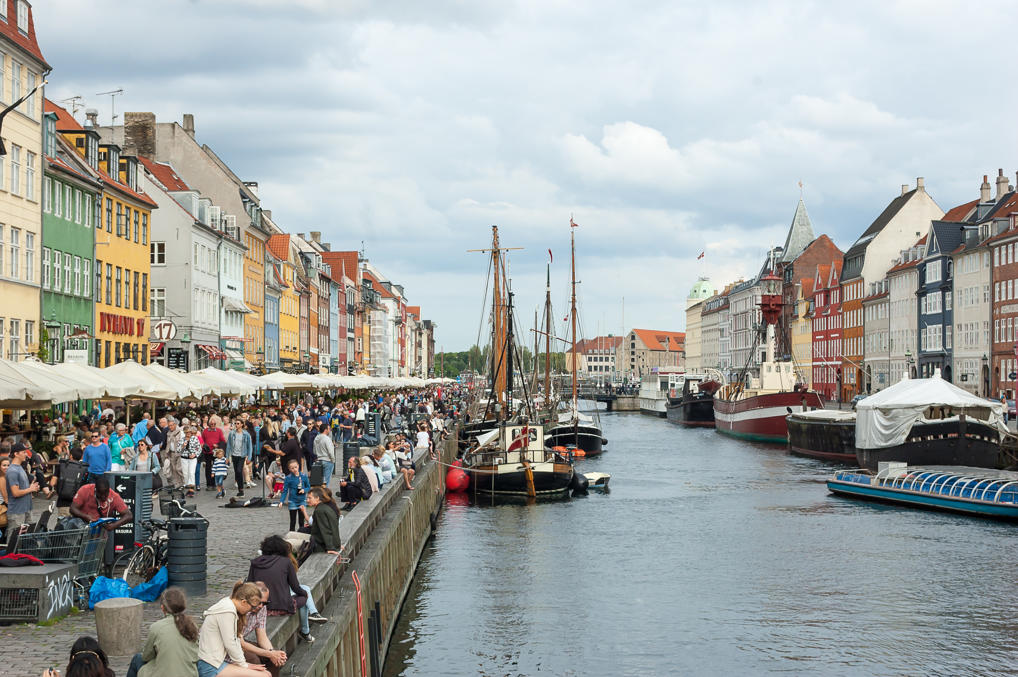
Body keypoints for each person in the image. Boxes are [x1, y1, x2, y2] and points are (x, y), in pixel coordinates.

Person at [246, 535, 315, 644]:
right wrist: (305, 594)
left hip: (261, 606)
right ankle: (305, 631)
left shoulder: (255, 562)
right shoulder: (286, 562)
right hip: (282, 607)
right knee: (303, 598)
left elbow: (249, 585)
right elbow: (295, 587)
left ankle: (307, 630)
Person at [196, 581, 268, 676]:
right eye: (252, 608)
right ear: (244, 602)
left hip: (216, 662)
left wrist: (243, 664)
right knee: (262, 675)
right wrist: (244, 665)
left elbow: (236, 640)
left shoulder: (229, 606)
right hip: (210, 665)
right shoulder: (227, 611)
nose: (251, 611)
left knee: (265, 673)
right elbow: (230, 643)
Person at [125, 586, 199, 677]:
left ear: (162, 608)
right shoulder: (192, 626)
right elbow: (196, 655)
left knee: (138, 658)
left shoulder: (157, 627)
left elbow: (146, 656)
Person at [239, 581, 287, 677]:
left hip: (242, 641)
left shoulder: (262, 608)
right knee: (254, 661)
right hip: (232, 644)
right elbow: (240, 643)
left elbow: (262, 637)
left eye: (265, 603)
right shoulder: (242, 609)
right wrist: (270, 654)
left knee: (273, 660)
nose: (261, 606)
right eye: (259, 602)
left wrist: (272, 653)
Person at [5, 442, 39, 549]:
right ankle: (9, 559)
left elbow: (23, 489)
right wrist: (30, 489)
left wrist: (31, 487)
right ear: (16, 454)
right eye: (24, 452)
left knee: (24, 540)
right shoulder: (13, 471)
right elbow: (15, 493)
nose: (26, 454)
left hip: (25, 509)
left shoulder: (20, 468)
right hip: (16, 511)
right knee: (13, 541)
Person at [277, 460, 310, 531]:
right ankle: (291, 535)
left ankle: (301, 535)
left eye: (295, 467)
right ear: (289, 469)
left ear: (298, 466)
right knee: (293, 521)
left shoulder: (304, 476)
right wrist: (281, 501)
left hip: (302, 501)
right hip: (292, 501)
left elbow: (308, 486)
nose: (294, 469)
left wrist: (304, 490)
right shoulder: (288, 478)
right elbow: (285, 491)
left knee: (301, 521)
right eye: (292, 468)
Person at [307, 488, 341, 554]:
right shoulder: (325, 507)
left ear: (317, 498)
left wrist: (330, 548)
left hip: (320, 545)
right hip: (330, 543)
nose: (307, 500)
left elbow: (326, 530)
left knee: (289, 540)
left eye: (310, 498)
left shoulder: (319, 510)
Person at [227, 421, 253, 498]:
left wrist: (249, 457)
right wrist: (227, 457)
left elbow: (250, 446)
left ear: (242, 425)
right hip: (234, 455)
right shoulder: (232, 433)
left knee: (239, 470)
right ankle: (240, 490)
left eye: (238, 423)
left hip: (242, 455)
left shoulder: (246, 434)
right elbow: (228, 445)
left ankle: (241, 490)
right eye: (235, 423)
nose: (236, 425)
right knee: (237, 472)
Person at [201, 419, 225, 492]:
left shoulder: (219, 431)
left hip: (216, 452)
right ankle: (209, 485)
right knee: (208, 468)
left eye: (214, 424)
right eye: (211, 424)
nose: (213, 425)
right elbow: (202, 440)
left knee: (216, 468)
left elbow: (223, 441)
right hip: (207, 452)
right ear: (209, 424)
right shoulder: (205, 431)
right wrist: (204, 446)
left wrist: (217, 445)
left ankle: (214, 484)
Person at [181, 427, 203, 498]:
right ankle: (188, 487)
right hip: (184, 458)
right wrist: (183, 446)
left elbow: (199, 448)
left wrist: (195, 454)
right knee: (185, 474)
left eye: (190, 432)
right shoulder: (182, 439)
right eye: (187, 432)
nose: (188, 434)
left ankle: (191, 489)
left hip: (193, 458)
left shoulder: (195, 438)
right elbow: (178, 450)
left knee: (191, 472)